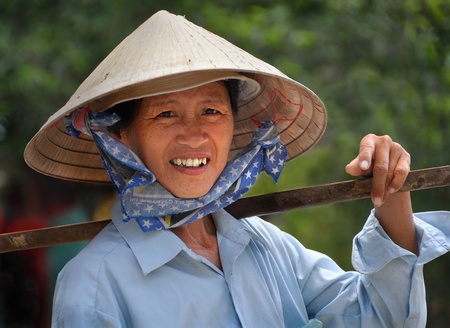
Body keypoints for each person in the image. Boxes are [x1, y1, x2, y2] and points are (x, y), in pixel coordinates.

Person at [23, 10, 450, 328]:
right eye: (166, 114)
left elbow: (380, 318)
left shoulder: (266, 247)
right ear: (121, 138)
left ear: (234, 127)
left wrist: (392, 195)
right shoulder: (94, 287)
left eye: (211, 110)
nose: (194, 136)